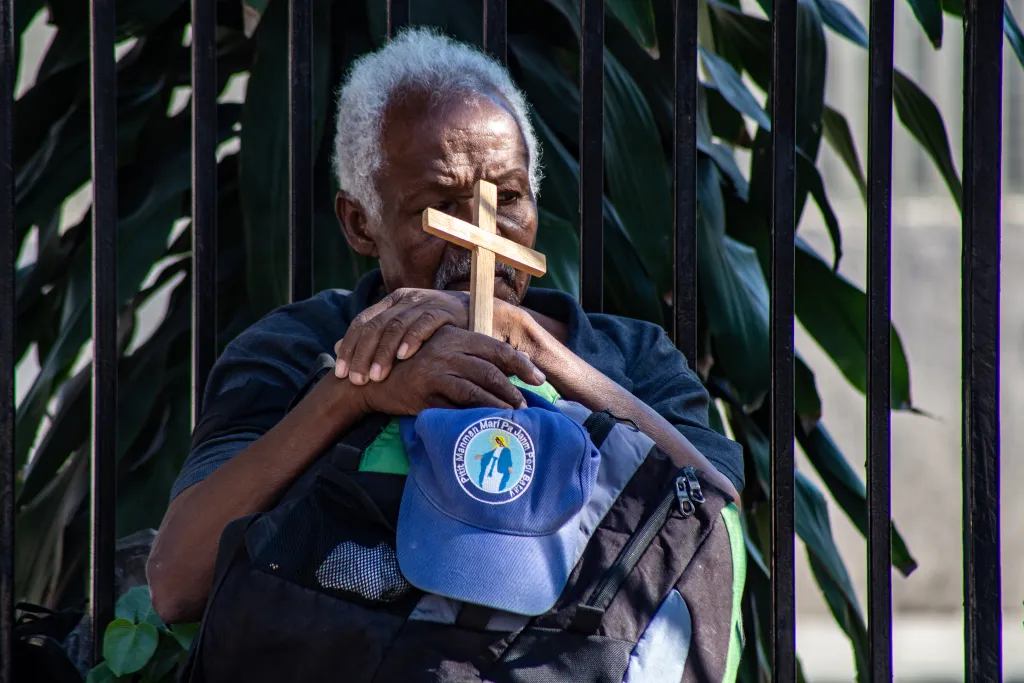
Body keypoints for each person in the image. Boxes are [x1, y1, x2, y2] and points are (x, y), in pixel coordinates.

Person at [146, 27, 744, 625]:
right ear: (360, 223)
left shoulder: (632, 355)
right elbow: (179, 583)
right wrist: (354, 392)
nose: (482, 235)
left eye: (507, 197)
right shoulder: (294, 346)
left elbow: (717, 520)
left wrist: (532, 344)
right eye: (438, 207)